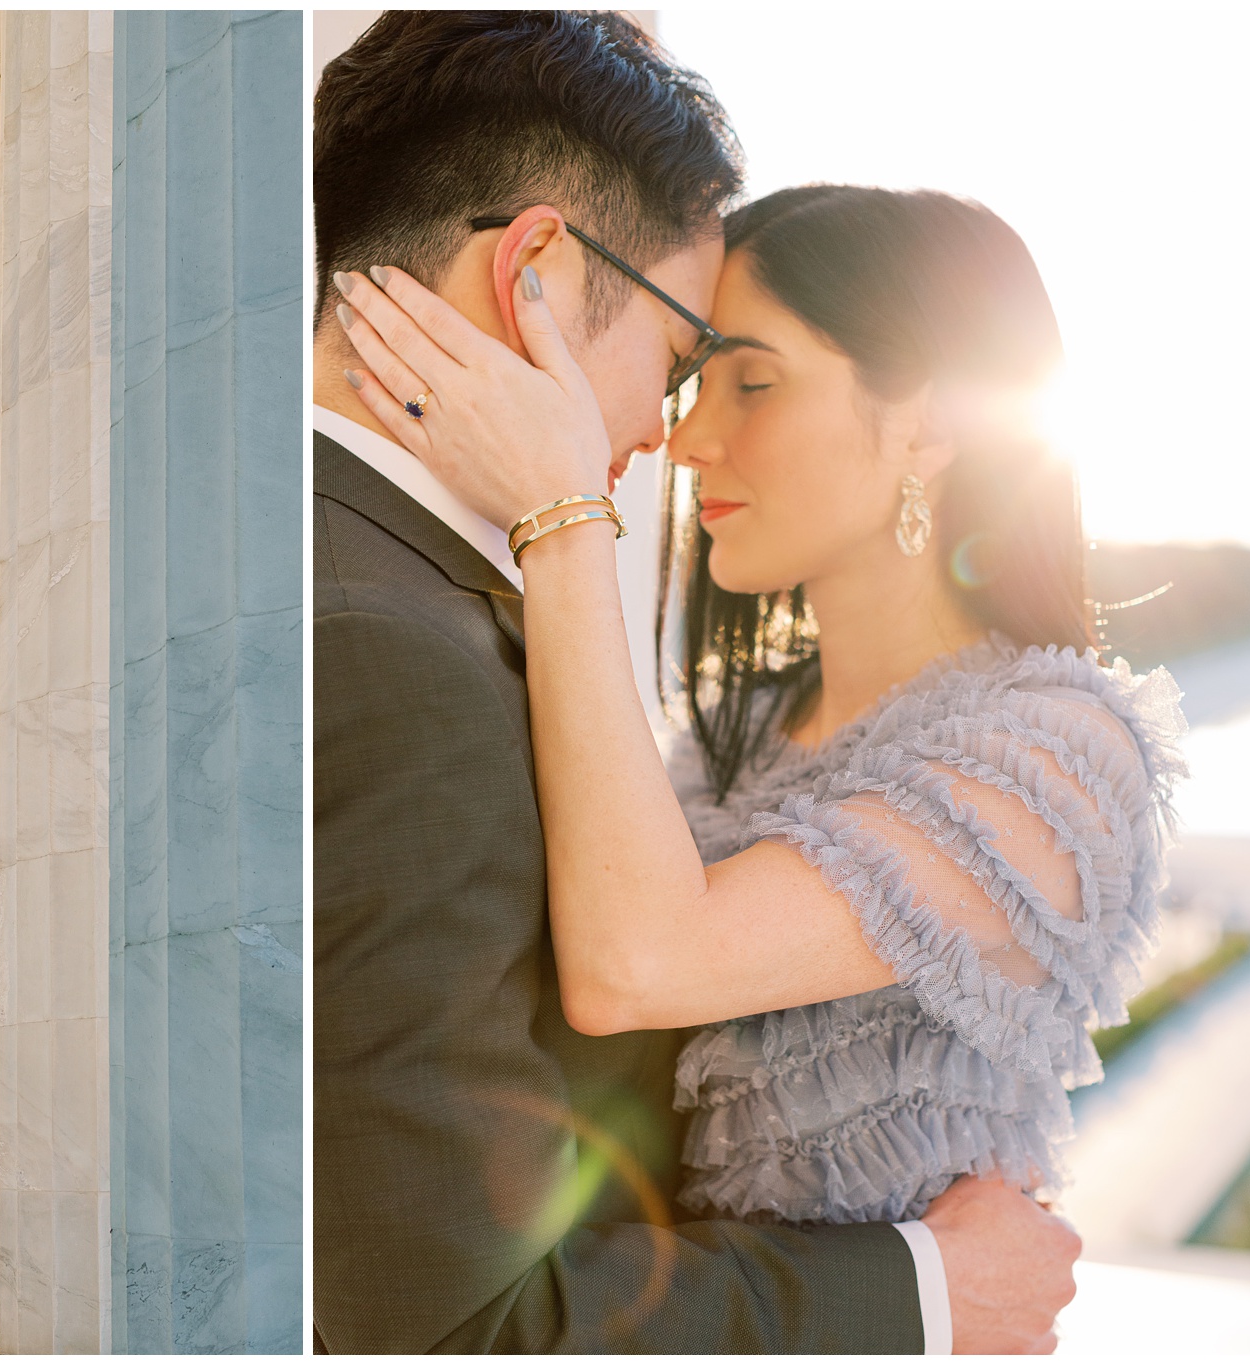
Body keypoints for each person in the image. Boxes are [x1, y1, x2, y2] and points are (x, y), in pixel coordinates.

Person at [314, 12, 1088, 1355]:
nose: (671, 440)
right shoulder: (400, 657)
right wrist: (920, 1294)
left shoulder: (336, 576)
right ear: (535, 275)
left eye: (745, 384)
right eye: (683, 368)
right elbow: (429, 1325)